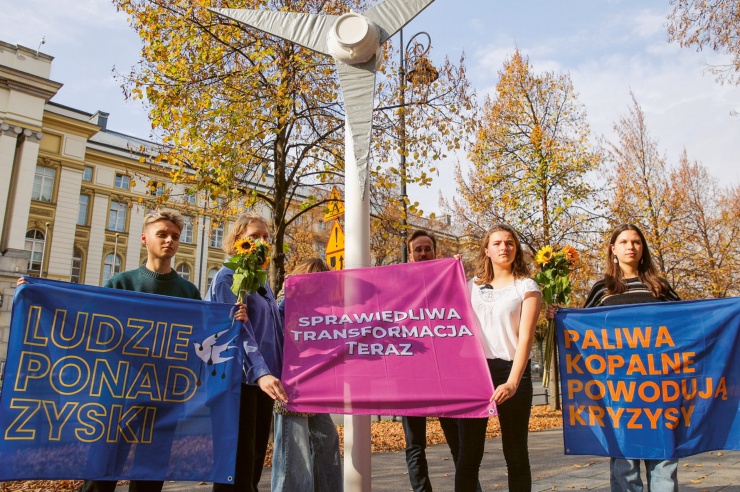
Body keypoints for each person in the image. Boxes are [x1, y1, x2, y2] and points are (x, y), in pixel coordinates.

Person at [71, 209, 223, 492]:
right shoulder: (121, 284)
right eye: (162, 234)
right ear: (144, 238)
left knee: (151, 475)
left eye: (175, 236)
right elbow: (87, 322)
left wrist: (233, 319)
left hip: (164, 397)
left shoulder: (188, 292)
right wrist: (34, 293)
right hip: (119, 393)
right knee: (101, 473)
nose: (169, 241)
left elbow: (201, 341)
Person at [547, 223, 680, 492]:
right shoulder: (602, 289)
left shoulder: (660, 288)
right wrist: (561, 316)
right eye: (624, 242)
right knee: (625, 463)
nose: (630, 247)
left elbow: (685, 324)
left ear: (643, 249)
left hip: (659, 387)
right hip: (619, 389)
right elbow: (584, 332)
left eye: (636, 242)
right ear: (613, 249)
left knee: (664, 461)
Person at [206, 212, 288, 492]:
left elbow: (272, 325)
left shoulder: (260, 279)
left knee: (253, 462)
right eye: (254, 237)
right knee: (237, 467)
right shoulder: (229, 275)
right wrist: (260, 372)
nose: (262, 242)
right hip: (240, 381)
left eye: (266, 237)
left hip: (264, 382)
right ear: (238, 239)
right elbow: (235, 332)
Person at [456, 223, 541, 492]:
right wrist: (451, 271)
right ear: (486, 250)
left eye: (509, 243)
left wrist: (513, 382)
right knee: (468, 457)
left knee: (516, 456)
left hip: (511, 372)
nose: (504, 247)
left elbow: (525, 339)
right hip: (474, 375)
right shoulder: (469, 287)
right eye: (497, 243)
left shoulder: (526, 286)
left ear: (516, 249)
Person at [400, 230, 476, 492]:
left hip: (445, 374)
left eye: (427, 249)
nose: (423, 253)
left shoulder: (449, 281)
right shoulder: (399, 285)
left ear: (435, 252)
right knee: (414, 444)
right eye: (418, 249)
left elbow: (465, 308)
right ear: (410, 255)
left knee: (458, 440)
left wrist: (456, 273)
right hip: (410, 375)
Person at [272, 257, 343, 492]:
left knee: (327, 441)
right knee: (294, 455)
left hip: (315, 387)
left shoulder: (323, 311)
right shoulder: (286, 307)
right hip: (291, 388)